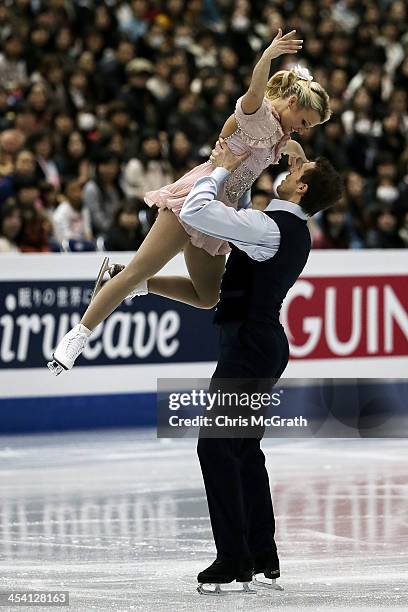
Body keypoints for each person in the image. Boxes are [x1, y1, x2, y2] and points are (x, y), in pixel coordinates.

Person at [47, 30, 332, 375]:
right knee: (142, 265)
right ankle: (79, 334)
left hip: (221, 209)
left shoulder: (280, 133)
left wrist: (297, 150)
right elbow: (256, 88)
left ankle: (139, 286)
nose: (302, 130)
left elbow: (280, 146)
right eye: (304, 122)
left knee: (208, 295)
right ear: (292, 103)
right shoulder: (259, 114)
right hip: (198, 194)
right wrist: (267, 56)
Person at [179, 139, 342, 593]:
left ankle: (233, 557)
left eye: (297, 171)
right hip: (262, 346)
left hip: (249, 348)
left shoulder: (271, 229)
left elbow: (196, 211)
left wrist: (221, 169)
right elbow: (243, 220)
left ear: (302, 188)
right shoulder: (287, 228)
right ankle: (259, 554)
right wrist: (269, 160)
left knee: (216, 448)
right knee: (243, 449)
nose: (290, 172)